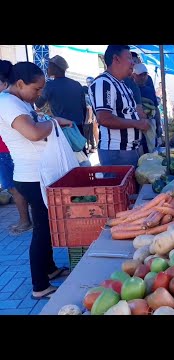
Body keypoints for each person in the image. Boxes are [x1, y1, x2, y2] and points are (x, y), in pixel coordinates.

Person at [0, 60, 74, 299]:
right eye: (37, 89)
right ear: (20, 83)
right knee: (42, 230)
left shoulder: (17, 101)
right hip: (31, 177)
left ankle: (50, 269)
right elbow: (32, 133)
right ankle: (39, 286)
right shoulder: (8, 103)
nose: (39, 94)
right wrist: (54, 122)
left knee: (48, 225)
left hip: (37, 174)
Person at [88, 45, 150, 167]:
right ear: (116, 59)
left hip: (130, 150)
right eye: (129, 58)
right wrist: (136, 123)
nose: (133, 63)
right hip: (117, 153)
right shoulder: (104, 83)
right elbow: (104, 118)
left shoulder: (122, 84)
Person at [0, 68, 32, 235]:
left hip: (5, 150)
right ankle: (24, 220)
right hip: (7, 150)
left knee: (14, 187)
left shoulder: (6, 101)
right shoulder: (12, 101)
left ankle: (24, 221)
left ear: (5, 83)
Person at [34, 55, 87, 154]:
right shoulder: (76, 84)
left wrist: (37, 91)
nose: (47, 69)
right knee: (82, 158)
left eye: (49, 66)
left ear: (55, 68)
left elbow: (39, 104)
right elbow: (84, 107)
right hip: (78, 128)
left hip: (62, 129)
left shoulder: (50, 86)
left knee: (66, 161)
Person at [133, 63, 161, 152]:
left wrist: (159, 125)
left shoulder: (149, 90)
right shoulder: (130, 89)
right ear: (134, 75)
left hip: (150, 124)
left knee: (151, 148)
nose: (143, 77)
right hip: (136, 126)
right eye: (140, 75)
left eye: (145, 75)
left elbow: (155, 108)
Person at [82, 85, 96, 153]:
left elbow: (89, 108)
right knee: (91, 134)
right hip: (90, 119)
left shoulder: (85, 98)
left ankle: (87, 148)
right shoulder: (90, 97)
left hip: (87, 120)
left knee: (86, 135)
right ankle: (92, 148)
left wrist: (89, 118)